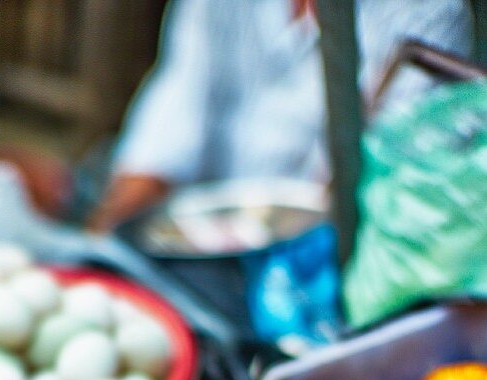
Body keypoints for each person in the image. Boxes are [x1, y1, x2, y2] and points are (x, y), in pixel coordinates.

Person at [90, 0, 472, 231]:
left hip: (314, 259)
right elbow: (171, 120)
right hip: (200, 228)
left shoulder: (428, 14)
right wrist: (105, 250)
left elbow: (360, 186)